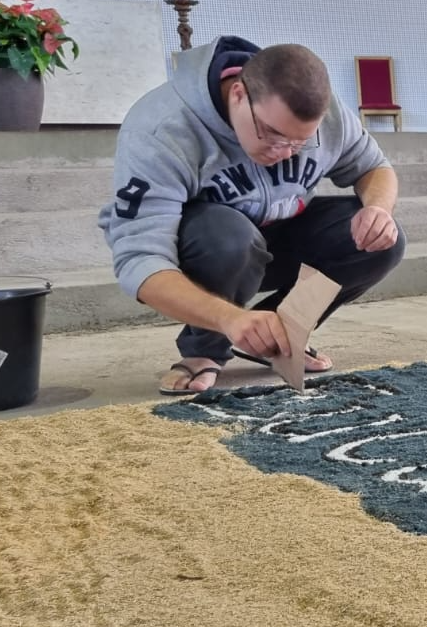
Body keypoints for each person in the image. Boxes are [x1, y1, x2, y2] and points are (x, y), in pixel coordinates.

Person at [97, 36, 406, 396]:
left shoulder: (328, 115)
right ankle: (205, 350)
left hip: (279, 232)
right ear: (239, 93)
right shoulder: (162, 128)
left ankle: (277, 334)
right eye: (271, 133)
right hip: (210, 249)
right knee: (230, 237)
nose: (283, 152)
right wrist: (230, 319)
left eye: (299, 142)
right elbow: (140, 261)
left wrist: (378, 209)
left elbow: (374, 168)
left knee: (382, 240)